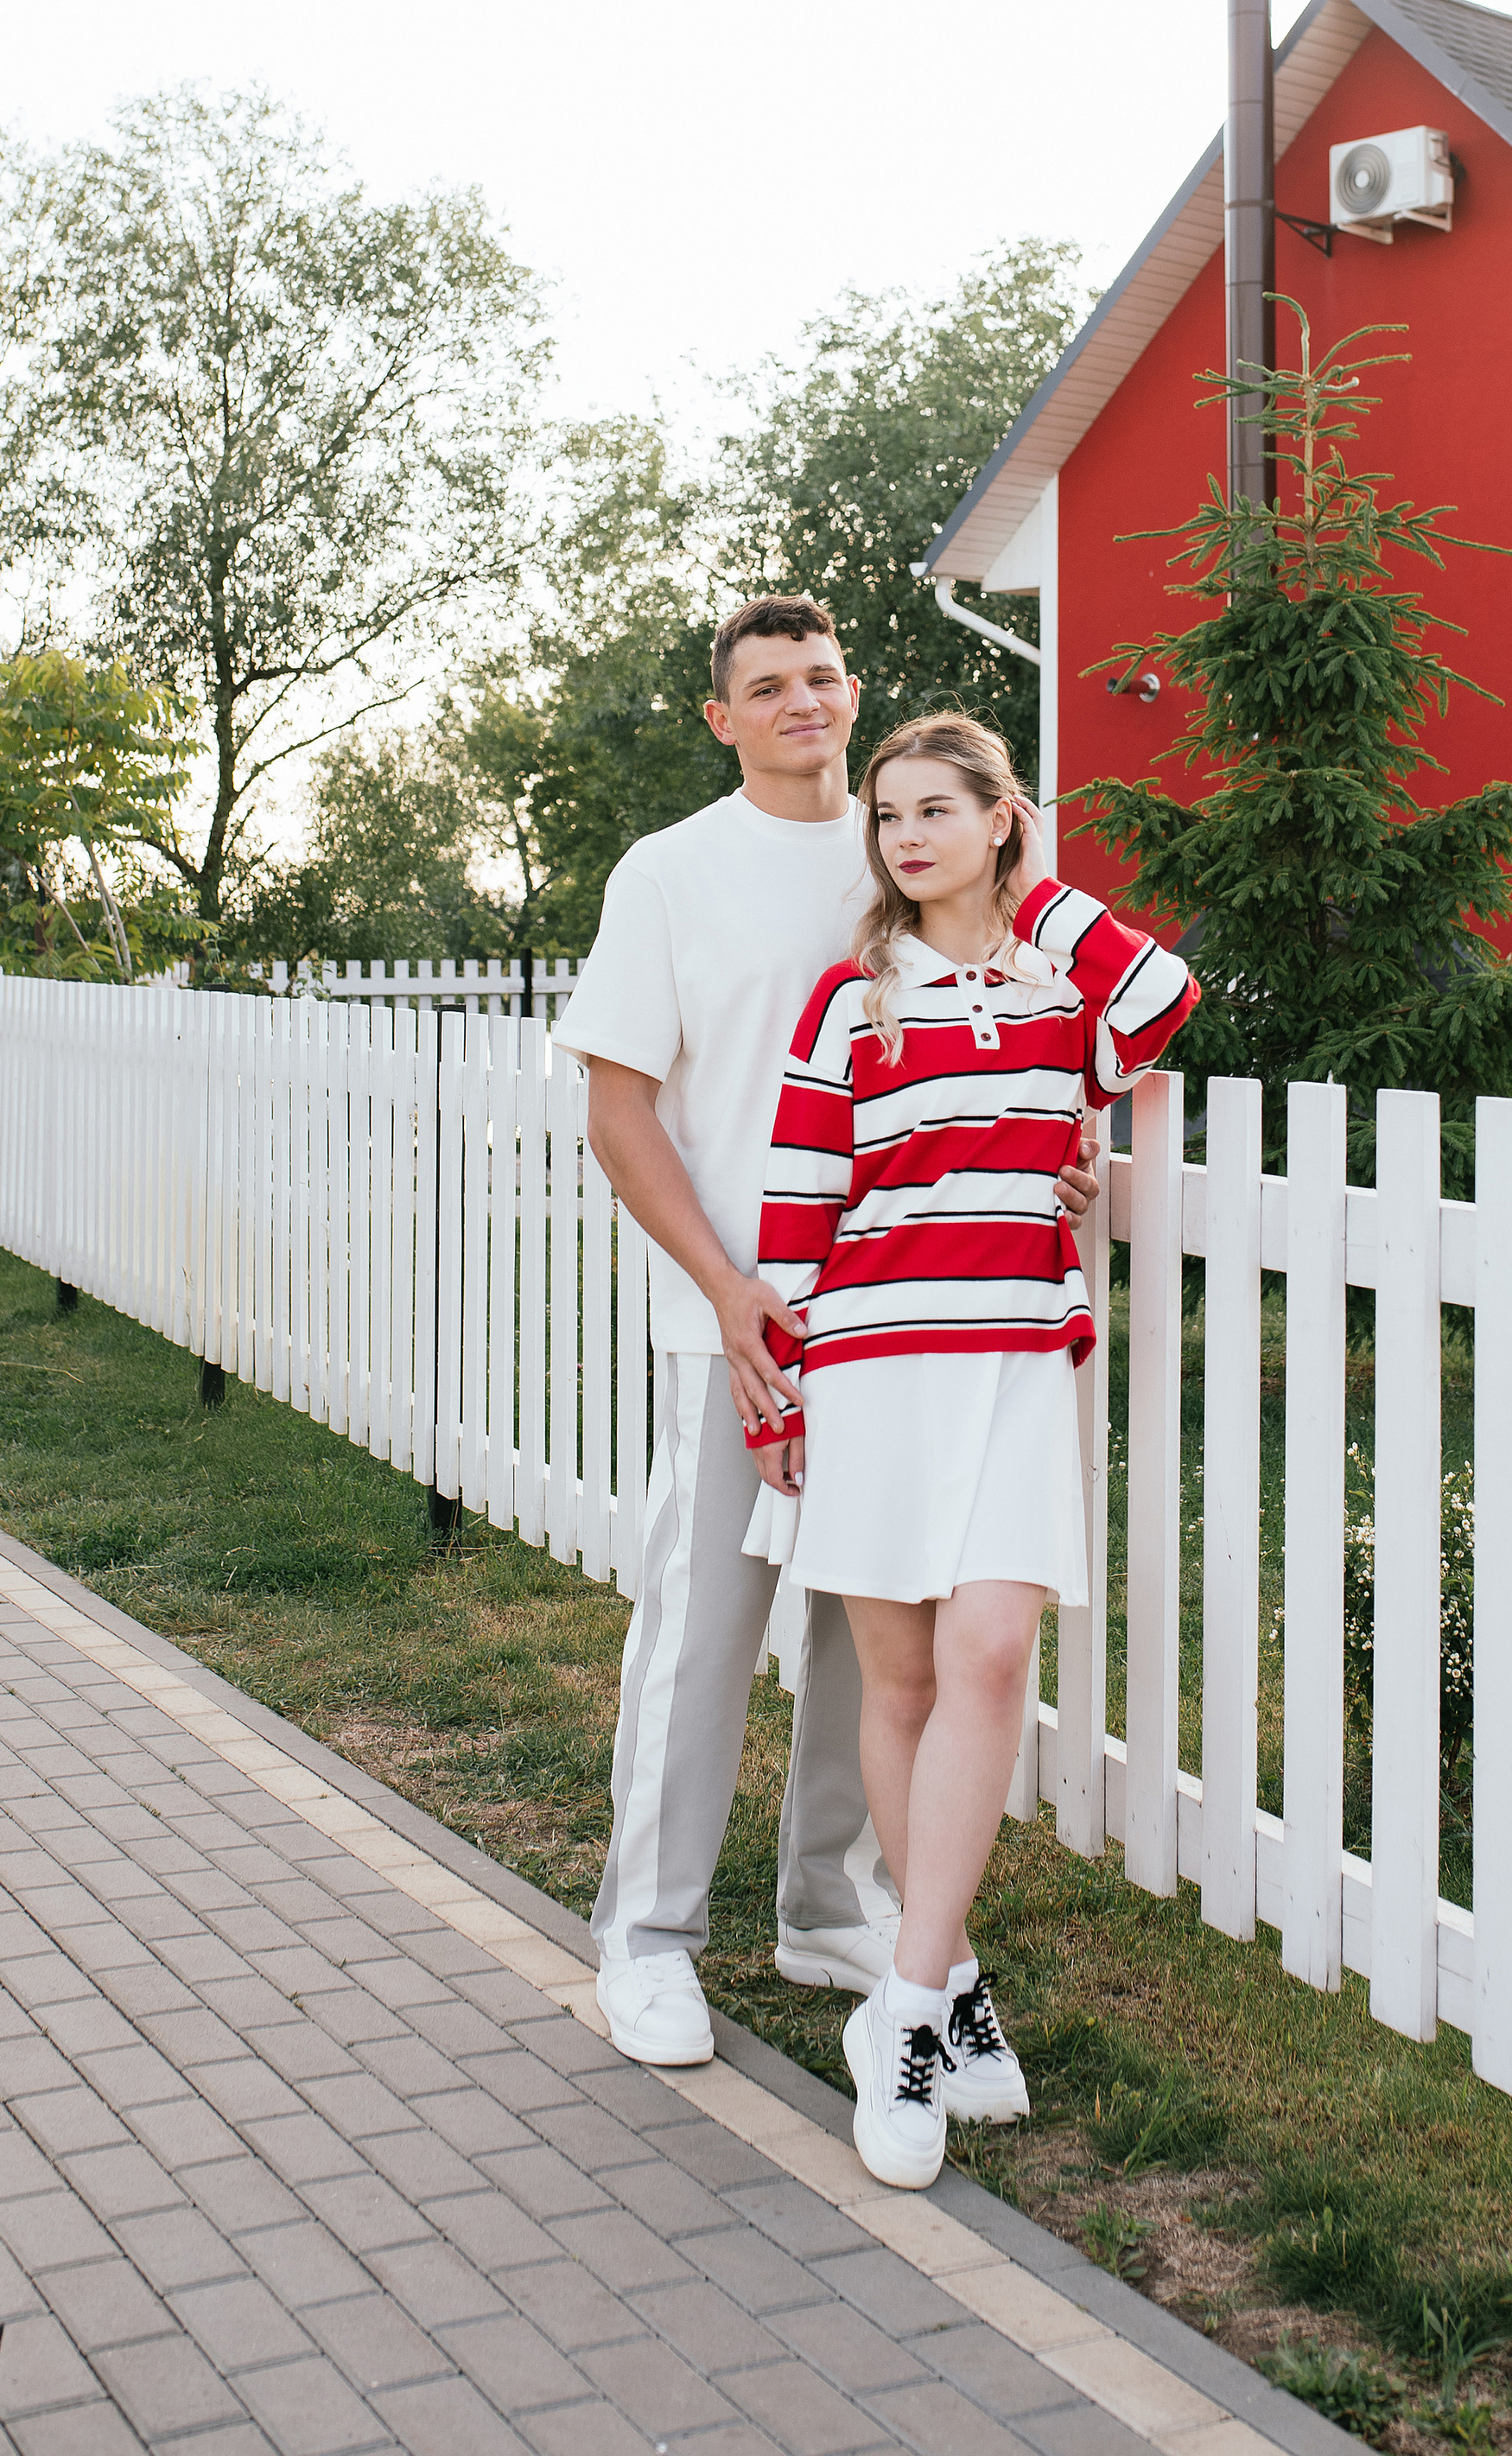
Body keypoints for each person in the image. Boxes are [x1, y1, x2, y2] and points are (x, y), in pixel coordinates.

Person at [558, 601, 1103, 2068]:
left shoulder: (901, 853)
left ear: (852, 694)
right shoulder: (670, 872)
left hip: (900, 1333)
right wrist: (731, 1291)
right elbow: (619, 1114)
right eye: (765, 686)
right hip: (731, 1325)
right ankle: (650, 1938)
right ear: (722, 717)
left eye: (819, 677)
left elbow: (1019, 1040)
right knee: (703, 1641)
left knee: (879, 1648)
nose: (800, 701)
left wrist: (1065, 1153)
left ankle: (828, 1905)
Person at [754, 711, 1196, 2187]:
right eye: (890, 817)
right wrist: (784, 1393)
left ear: (1002, 818)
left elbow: (1166, 993)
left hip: (1010, 1365)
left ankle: (906, 2008)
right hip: (876, 1370)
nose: (909, 838)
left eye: (941, 809)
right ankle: (942, 1993)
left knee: (993, 1655)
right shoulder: (850, 999)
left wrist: (1040, 887)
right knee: (905, 1679)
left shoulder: (1065, 985)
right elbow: (800, 1206)